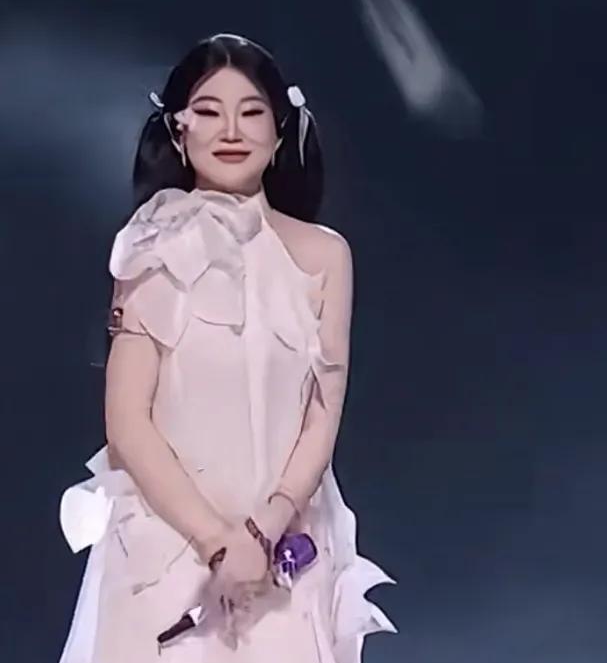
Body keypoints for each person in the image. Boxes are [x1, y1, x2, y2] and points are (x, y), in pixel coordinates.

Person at [57, 34, 395, 663]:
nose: (231, 131)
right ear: (179, 130)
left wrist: (262, 530)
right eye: (209, 112)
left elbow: (323, 413)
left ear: (279, 129)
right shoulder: (150, 248)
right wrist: (217, 541)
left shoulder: (324, 255)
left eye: (251, 112)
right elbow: (127, 422)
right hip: (167, 545)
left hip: (285, 551)